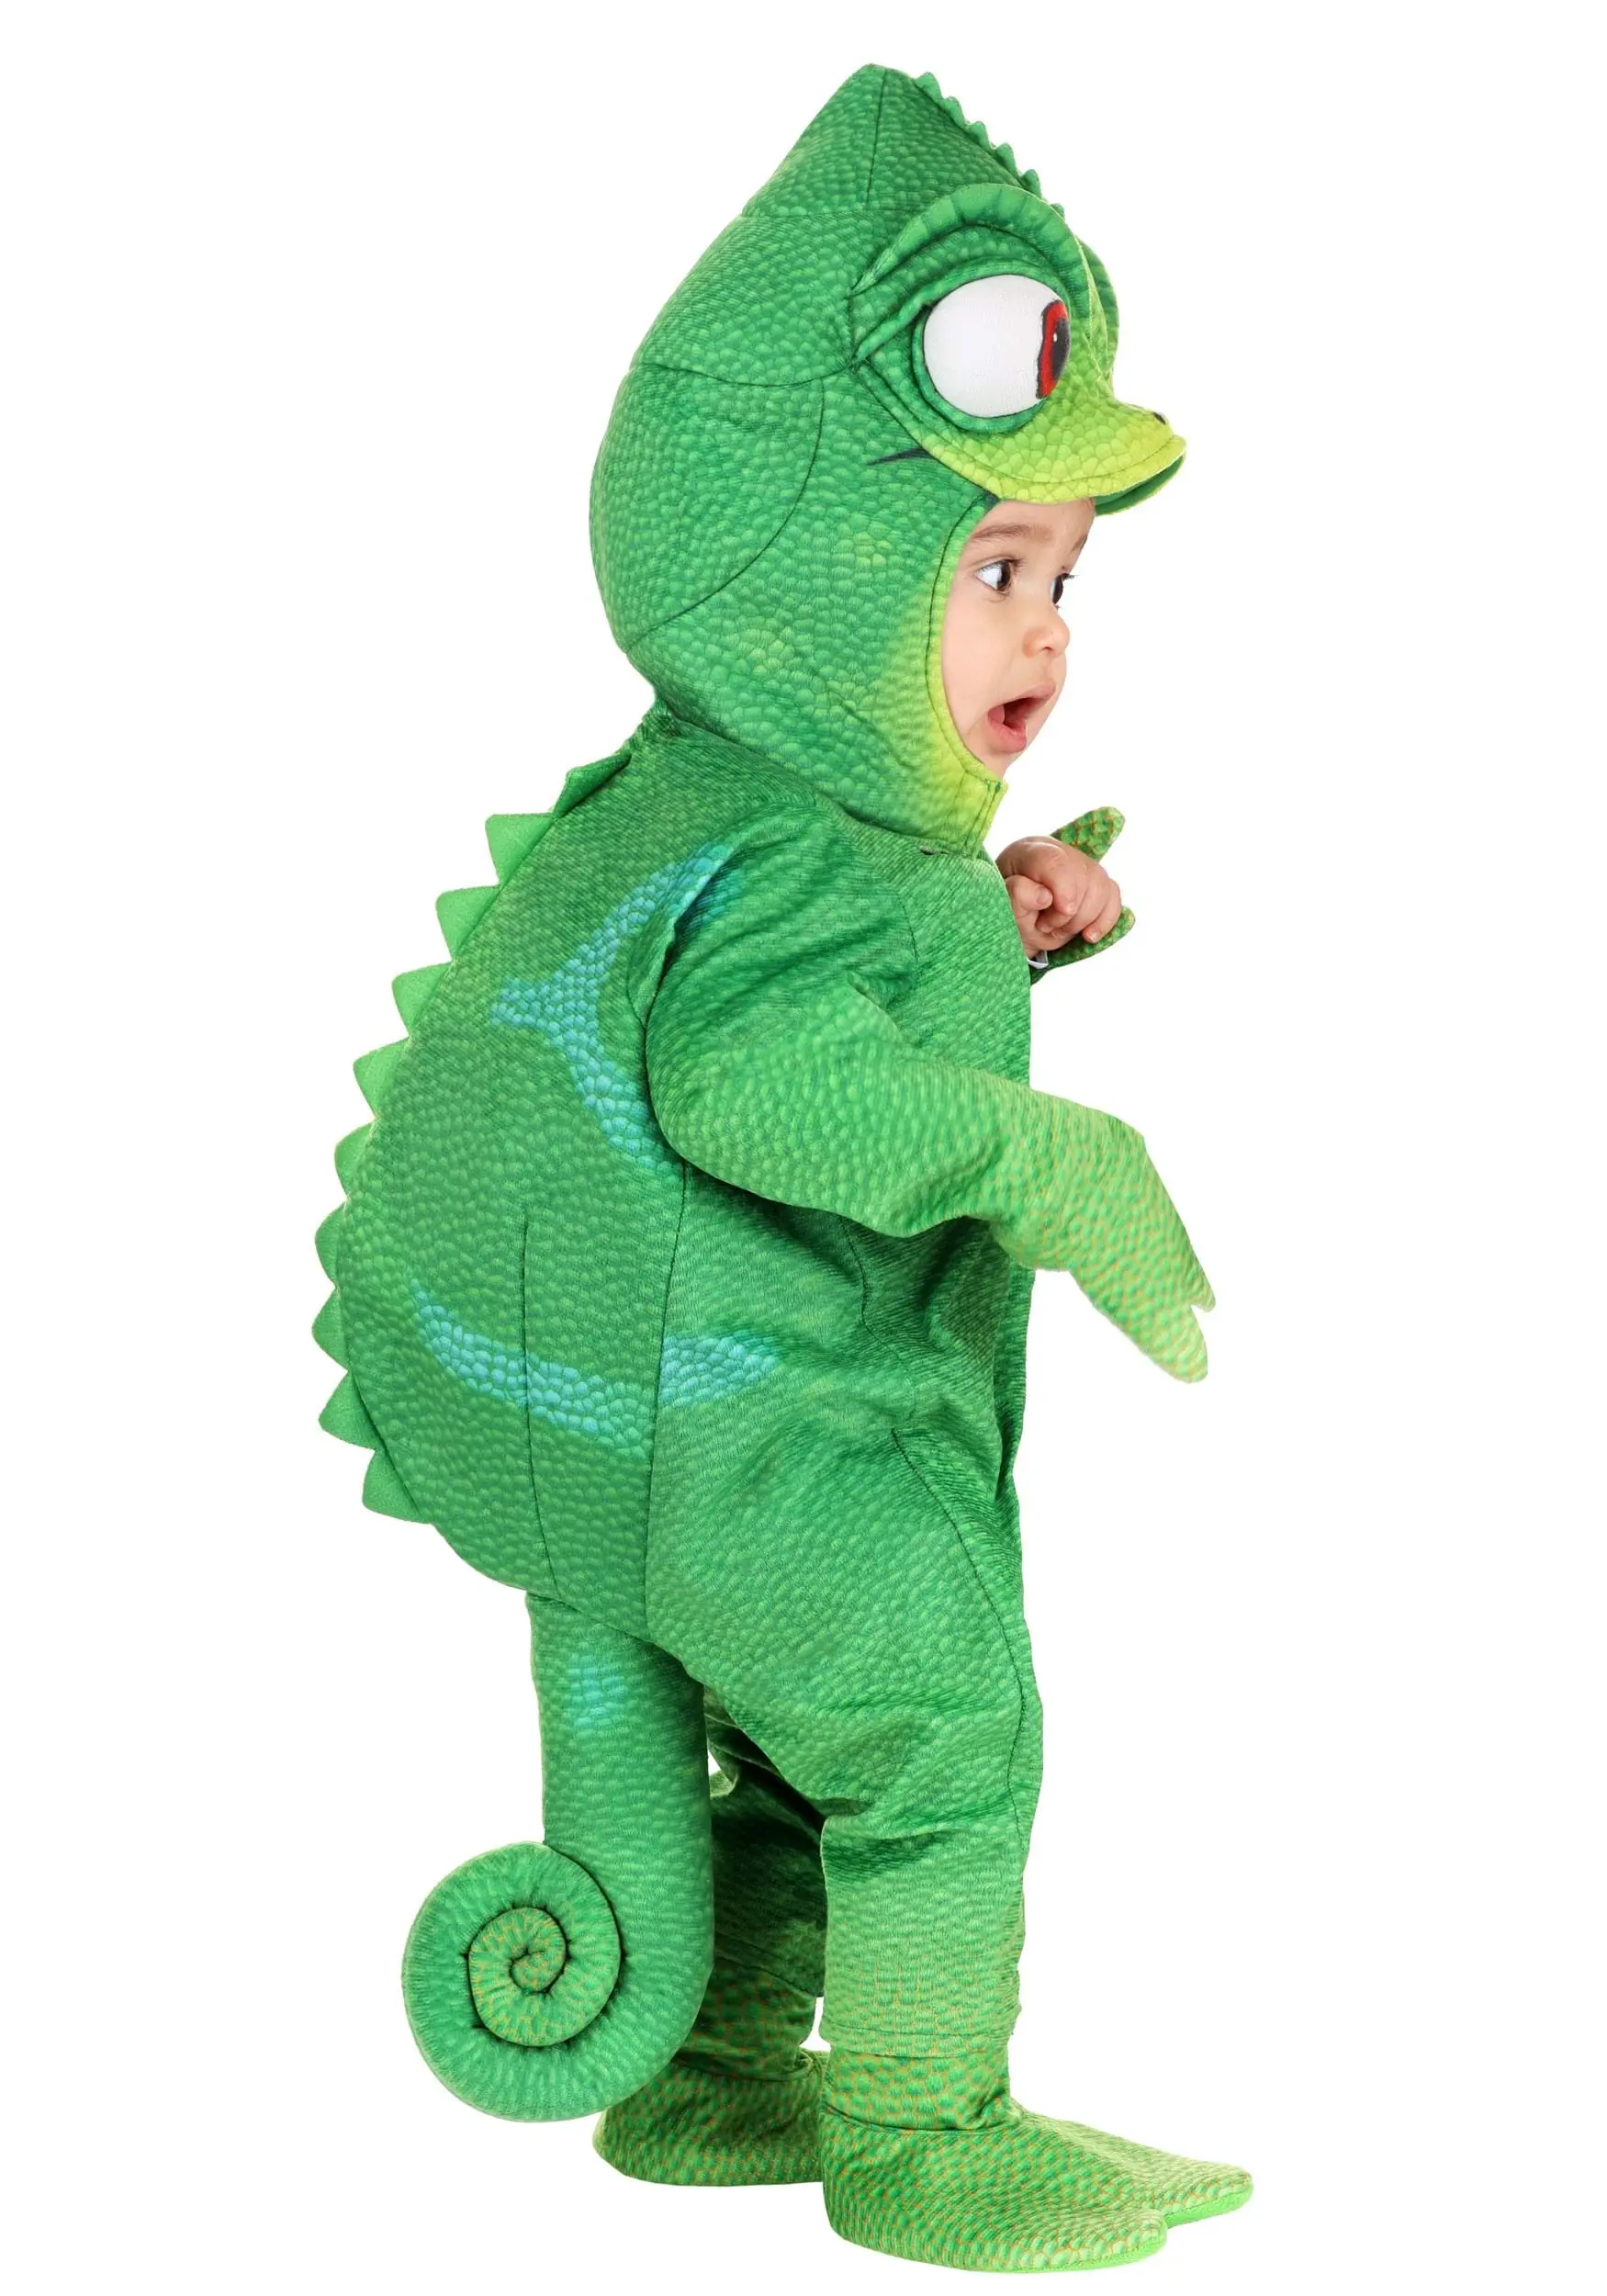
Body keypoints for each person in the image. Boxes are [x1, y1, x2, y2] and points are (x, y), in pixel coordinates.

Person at [320, 62, 1248, 2274]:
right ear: (812, 571)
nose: (1044, 630)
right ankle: (920, 2129)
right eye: (991, 566)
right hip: (755, 1428)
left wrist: (1002, 922)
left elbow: (778, 1008)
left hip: (696, 1440)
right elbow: (747, 1085)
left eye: (1058, 574)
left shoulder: (767, 816)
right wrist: (1056, 1158)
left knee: (781, 1752)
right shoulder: (789, 841)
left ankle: (708, 2068)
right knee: (938, 1729)